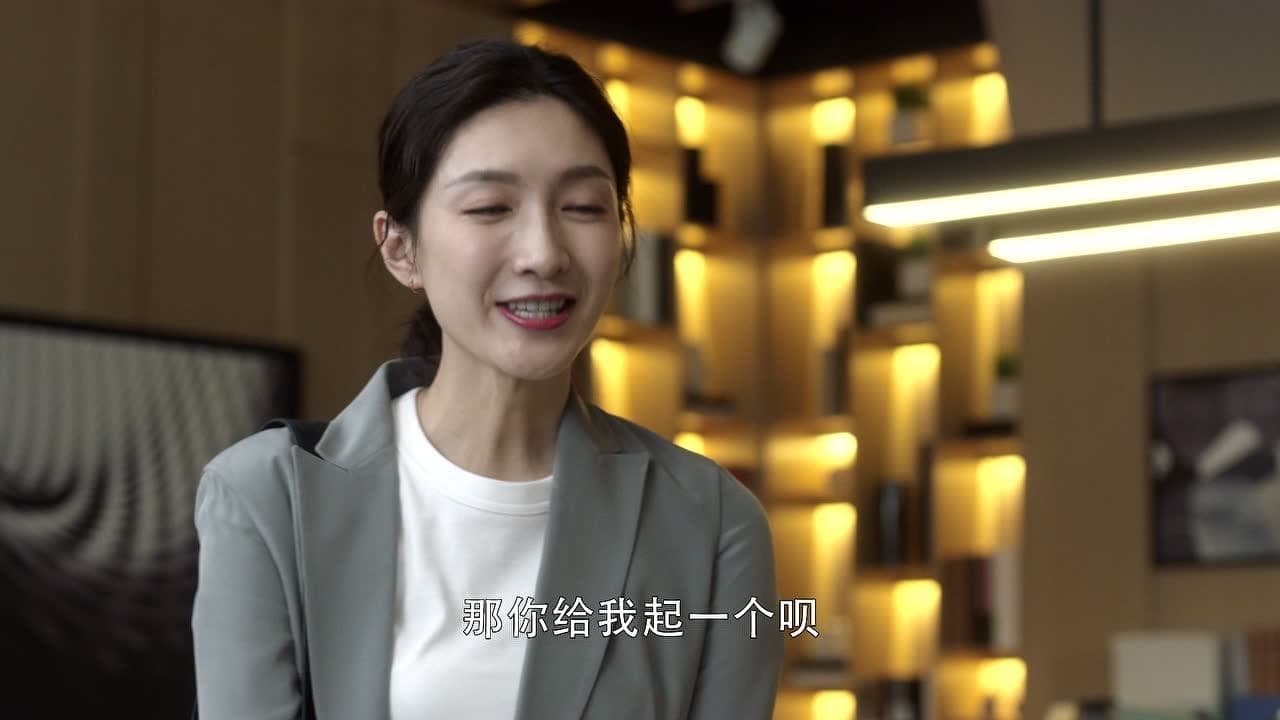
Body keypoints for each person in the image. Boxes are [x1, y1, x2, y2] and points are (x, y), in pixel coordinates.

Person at [191, 38, 782, 719]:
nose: (543, 253)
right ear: (401, 249)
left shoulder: (710, 521)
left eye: (584, 207)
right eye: (490, 208)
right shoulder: (268, 497)